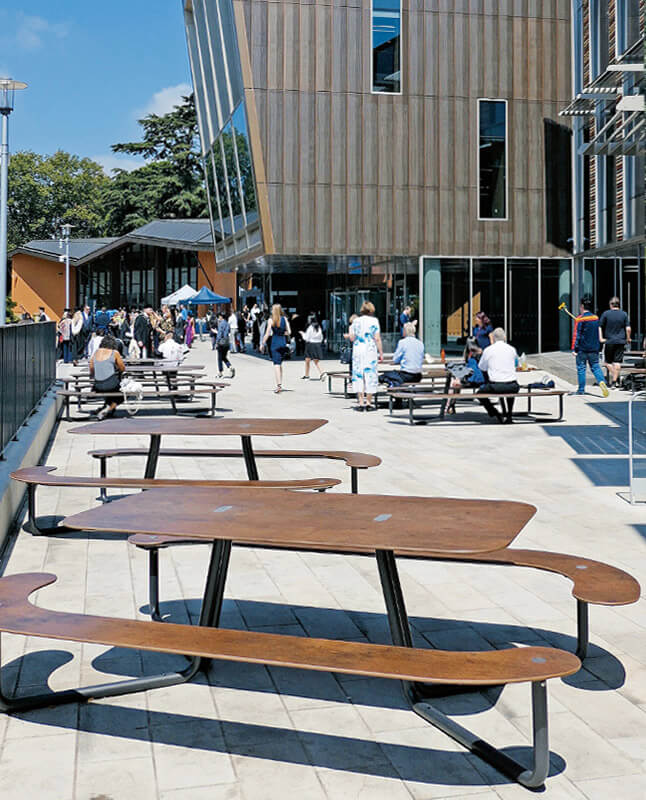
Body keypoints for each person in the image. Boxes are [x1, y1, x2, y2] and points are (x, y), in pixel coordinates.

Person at [476, 327, 520, 423]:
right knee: (509, 391)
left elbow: (482, 367)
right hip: (512, 385)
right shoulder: (512, 349)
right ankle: (509, 415)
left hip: (495, 386)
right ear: (504, 337)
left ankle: (494, 412)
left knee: (479, 394)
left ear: (494, 338)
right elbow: (517, 364)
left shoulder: (488, 350)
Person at [348, 301, 384, 411]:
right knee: (370, 374)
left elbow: (352, 338)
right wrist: (381, 352)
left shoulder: (356, 321)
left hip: (358, 349)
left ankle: (360, 402)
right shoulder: (374, 321)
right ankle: (368, 402)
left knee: (358, 374)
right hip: (370, 349)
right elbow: (377, 338)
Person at [572, 296, 609, 397]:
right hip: (594, 348)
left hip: (582, 349)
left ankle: (581, 389)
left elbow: (578, 335)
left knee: (581, 368)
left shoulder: (581, 319)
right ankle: (602, 382)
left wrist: (575, 349)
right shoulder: (595, 318)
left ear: (582, 306)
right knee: (596, 367)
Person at [444, 339, 485, 415]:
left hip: (474, 381)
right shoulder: (482, 355)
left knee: (454, 384)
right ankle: (451, 406)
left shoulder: (472, 358)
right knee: (457, 382)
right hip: (481, 381)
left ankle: (448, 406)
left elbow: (471, 373)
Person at [89, 335, 125, 420]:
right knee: (121, 396)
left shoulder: (96, 352)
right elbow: (122, 368)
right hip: (110, 383)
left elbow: (91, 368)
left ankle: (106, 407)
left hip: (97, 385)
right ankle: (107, 409)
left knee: (112, 391)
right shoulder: (114, 353)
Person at [379, 322, 424, 388]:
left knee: (383, 376)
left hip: (406, 375)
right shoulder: (420, 343)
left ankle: (393, 385)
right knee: (395, 377)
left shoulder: (402, 342)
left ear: (405, 331)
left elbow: (395, 359)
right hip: (418, 376)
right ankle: (396, 387)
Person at [600, 296, 630, 389]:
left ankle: (615, 379)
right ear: (618, 304)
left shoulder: (606, 314)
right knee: (617, 362)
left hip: (609, 340)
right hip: (620, 341)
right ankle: (615, 381)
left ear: (611, 304)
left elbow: (600, 326)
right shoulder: (624, 314)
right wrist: (628, 338)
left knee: (607, 362)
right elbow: (628, 328)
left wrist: (601, 338)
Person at [262, 304, 291, 393]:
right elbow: (289, 332)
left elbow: (267, 333)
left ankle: (279, 385)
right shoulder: (285, 319)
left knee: (276, 365)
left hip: (274, 342)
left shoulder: (271, 320)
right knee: (280, 363)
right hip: (283, 342)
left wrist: (262, 343)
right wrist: (283, 333)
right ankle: (280, 382)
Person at [300, 315, 325, 379]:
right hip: (318, 344)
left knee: (311, 360)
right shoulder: (319, 327)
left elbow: (307, 338)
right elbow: (321, 337)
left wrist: (302, 334)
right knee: (311, 360)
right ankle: (307, 375)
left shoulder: (310, 327)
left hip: (310, 345)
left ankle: (322, 373)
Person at [215, 312, 235, 378]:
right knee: (224, 357)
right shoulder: (227, 323)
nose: (218, 318)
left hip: (221, 343)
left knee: (219, 358)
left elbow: (220, 334)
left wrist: (217, 342)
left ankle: (220, 372)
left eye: (219, 317)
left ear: (221, 317)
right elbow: (228, 332)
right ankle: (230, 366)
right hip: (226, 342)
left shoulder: (221, 324)